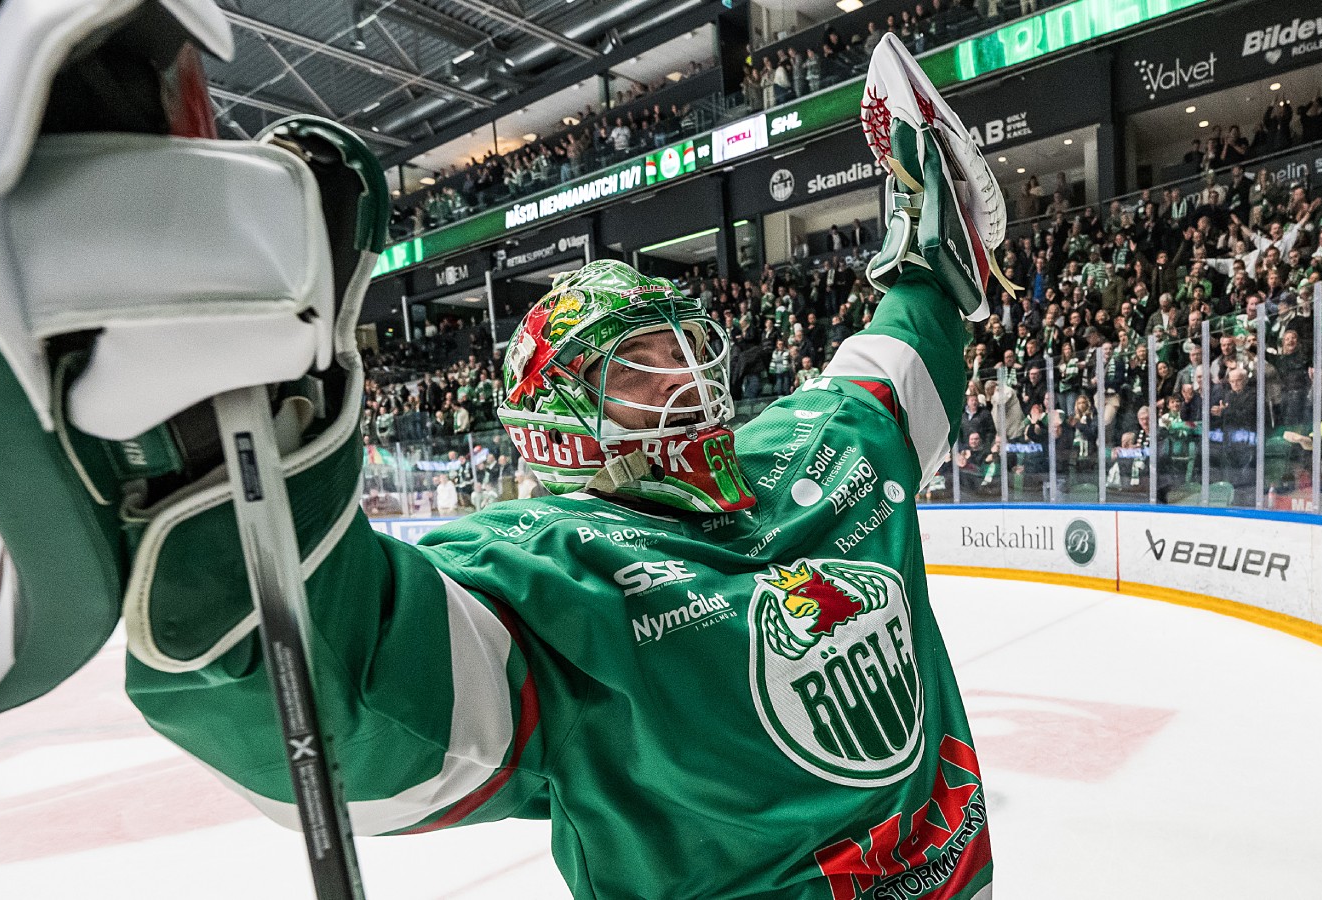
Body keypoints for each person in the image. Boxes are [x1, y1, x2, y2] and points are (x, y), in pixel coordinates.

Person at [127, 34, 997, 899]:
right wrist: (208, 498)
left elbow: (900, 350)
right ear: (559, 422)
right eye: (637, 363)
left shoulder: (817, 446)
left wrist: (931, 250)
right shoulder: (543, 570)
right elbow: (360, 704)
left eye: (685, 344)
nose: (684, 377)